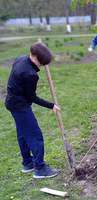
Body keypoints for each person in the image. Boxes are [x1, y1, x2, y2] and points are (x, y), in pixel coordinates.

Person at [5, 42, 60, 179]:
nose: (40, 66)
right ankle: (40, 169)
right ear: (35, 57)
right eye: (40, 63)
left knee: (23, 134)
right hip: (20, 106)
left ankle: (28, 163)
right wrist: (51, 105)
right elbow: (32, 97)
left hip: (12, 102)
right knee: (35, 136)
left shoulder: (21, 58)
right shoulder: (30, 74)